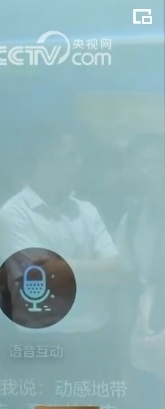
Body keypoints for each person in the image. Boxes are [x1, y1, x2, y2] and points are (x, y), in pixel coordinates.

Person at [0, 123, 124, 406]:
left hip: (93, 337)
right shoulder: (14, 212)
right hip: (43, 343)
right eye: (71, 155)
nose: (78, 164)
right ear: (44, 157)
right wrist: (86, 269)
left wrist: (52, 264)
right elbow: (33, 276)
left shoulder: (86, 210)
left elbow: (114, 272)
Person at [114, 133, 165, 403]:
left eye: (155, 162)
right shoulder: (132, 221)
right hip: (146, 350)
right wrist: (125, 361)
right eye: (139, 165)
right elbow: (127, 287)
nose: (146, 172)